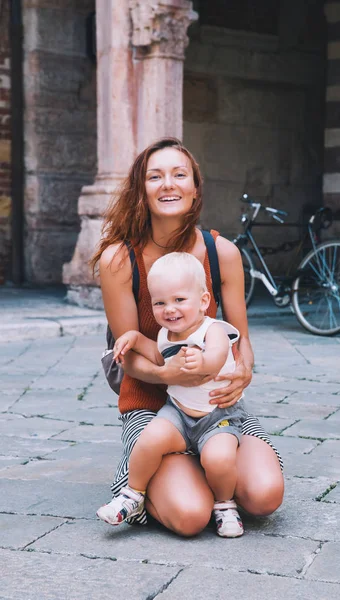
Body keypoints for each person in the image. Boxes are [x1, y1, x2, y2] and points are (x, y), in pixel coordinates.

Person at [90, 137, 284, 537]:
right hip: (151, 402)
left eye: (180, 174)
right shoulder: (118, 259)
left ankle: (210, 470)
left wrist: (244, 371)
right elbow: (124, 352)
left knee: (264, 497)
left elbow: (240, 339)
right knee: (191, 517)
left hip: (217, 403)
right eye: (155, 176)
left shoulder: (221, 252)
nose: (168, 184)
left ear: (195, 186)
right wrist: (170, 375)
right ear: (139, 188)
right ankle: (146, 484)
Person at [97, 252, 248, 537]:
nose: (169, 309)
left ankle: (224, 504)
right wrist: (132, 337)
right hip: (177, 412)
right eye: (160, 303)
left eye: (179, 300)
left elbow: (218, 354)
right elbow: (155, 352)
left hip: (218, 416)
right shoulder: (166, 335)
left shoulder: (212, 329)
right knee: (149, 440)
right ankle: (133, 494)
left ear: (203, 302)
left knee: (219, 459)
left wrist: (204, 363)